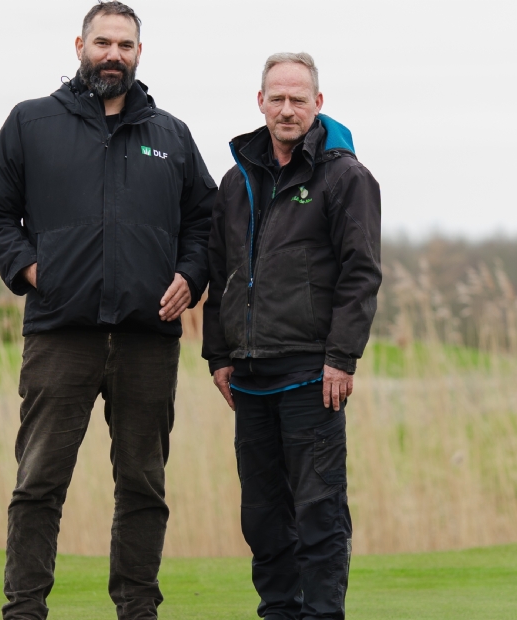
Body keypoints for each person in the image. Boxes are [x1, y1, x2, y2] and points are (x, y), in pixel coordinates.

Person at [0, 2, 216, 618]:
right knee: (38, 486)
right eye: (103, 42)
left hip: (147, 340)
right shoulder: (31, 123)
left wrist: (191, 275)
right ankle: (24, 609)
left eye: (126, 45)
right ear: (79, 44)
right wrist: (32, 270)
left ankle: (138, 608)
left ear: (140, 53)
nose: (114, 54)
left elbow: (207, 224)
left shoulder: (172, 135)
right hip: (60, 335)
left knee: (143, 488)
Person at [202, 52, 381, 619]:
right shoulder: (235, 181)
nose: (286, 109)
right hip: (249, 378)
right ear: (260, 102)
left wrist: (342, 357)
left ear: (318, 104)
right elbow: (220, 270)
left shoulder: (345, 176)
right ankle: (278, 611)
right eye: (276, 98)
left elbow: (361, 273)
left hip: (312, 375)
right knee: (261, 514)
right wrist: (218, 356)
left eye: (298, 99)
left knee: (318, 511)